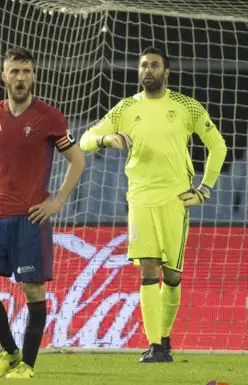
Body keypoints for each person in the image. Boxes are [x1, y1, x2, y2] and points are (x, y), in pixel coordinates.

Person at [79, 46, 227, 363]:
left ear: (166, 72)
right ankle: (156, 346)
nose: (148, 70)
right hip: (140, 197)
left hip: (175, 198)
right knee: (148, 268)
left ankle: (164, 340)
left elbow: (218, 145)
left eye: (154, 65)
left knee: (171, 277)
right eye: (143, 65)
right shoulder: (124, 108)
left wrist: (205, 189)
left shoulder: (186, 106)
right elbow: (85, 139)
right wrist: (106, 139)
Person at [0, 47, 85, 379]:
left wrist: (58, 200)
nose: (20, 77)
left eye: (26, 71)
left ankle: (28, 365)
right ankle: (10, 353)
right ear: (3, 76)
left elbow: (77, 161)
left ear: (33, 76)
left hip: (30, 216)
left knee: (33, 291)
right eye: (14, 71)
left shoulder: (49, 117)